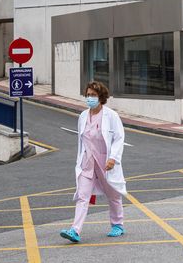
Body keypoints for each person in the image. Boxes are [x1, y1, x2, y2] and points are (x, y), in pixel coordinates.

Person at [60, 81, 127, 243]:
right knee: (83, 196)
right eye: (88, 95)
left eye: (93, 95)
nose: (90, 98)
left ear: (101, 97)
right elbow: (81, 141)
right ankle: (75, 230)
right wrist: (80, 161)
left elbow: (119, 138)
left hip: (106, 161)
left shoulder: (111, 115)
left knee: (113, 195)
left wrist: (113, 158)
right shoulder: (83, 116)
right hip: (88, 162)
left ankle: (118, 225)